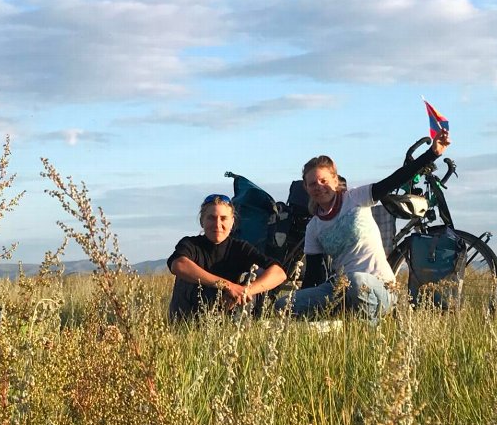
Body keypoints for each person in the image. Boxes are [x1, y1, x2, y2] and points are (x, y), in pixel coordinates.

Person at [275, 131, 452, 322]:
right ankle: (331, 327)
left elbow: (394, 180)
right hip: (340, 289)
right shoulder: (314, 227)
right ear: (307, 189)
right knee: (283, 304)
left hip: (379, 287)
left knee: (356, 281)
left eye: (324, 181)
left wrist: (432, 153)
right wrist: (305, 303)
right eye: (313, 184)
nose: (319, 186)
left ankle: (367, 331)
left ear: (335, 181)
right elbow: (312, 277)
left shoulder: (355, 198)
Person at [168, 193, 288, 322]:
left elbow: (279, 274)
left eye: (223, 218)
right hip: (188, 315)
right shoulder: (190, 245)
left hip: (227, 311)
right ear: (202, 221)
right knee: (190, 280)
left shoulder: (240, 248)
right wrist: (227, 286)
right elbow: (178, 265)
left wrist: (245, 291)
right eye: (211, 218)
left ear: (232, 222)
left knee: (256, 282)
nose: (217, 224)